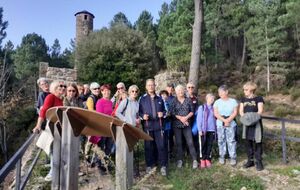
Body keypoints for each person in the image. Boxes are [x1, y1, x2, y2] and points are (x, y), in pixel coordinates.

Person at [32, 80, 66, 181]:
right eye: (60, 86)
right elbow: (43, 111)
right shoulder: (50, 97)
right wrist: (38, 125)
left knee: (57, 150)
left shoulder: (60, 99)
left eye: (64, 86)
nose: (63, 88)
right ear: (54, 88)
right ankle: (53, 173)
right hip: (52, 127)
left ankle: (55, 171)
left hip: (59, 128)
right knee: (54, 151)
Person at [139, 79, 167, 176]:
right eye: (149, 85)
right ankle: (149, 165)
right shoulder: (142, 99)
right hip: (148, 126)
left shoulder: (160, 98)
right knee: (148, 147)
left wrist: (162, 114)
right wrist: (143, 116)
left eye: (152, 85)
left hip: (159, 126)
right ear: (146, 87)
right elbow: (139, 112)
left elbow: (166, 111)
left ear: (155, 86)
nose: (151, 87)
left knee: (161, 146)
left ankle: (163, 166)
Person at [169, 84, 198, 169]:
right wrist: (181, 118)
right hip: (177, 125)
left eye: (181, 90)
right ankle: (180, 160)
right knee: (179, 143)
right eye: (178, 91)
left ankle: (195, 160)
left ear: (184, 91)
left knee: (190, 142)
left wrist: (185, 118)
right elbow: (172, 113)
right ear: (176, 92)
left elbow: (192, 111)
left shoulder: (188, 100)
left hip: (187, 124)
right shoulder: (173, 101)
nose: (180, 92)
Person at [239, 82, 264, 171]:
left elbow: (260, 111)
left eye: (246, 90)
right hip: (247, 123)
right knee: (248, 142)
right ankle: (250, 160)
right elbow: (241, 112)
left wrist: (252, 119)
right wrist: (247, 120)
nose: (244, 91)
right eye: (244, 89)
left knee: (258, 142)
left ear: (251, 90)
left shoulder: (259, 98)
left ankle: (259, 161)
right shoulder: (243, 99)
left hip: (256, 123)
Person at [213, 85, 238, 166]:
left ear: (226, 92)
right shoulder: (217, 102)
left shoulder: (233, 101)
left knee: (231, 140)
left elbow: (235, 112)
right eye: (219, 92)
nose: (220, 93)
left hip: (231, 123)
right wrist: (224, 120)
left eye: (221, 92)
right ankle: (222, 156)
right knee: (221, 140)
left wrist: (228, 120)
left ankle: (232, 157)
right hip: (220, 123)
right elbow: (216, 113)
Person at [95, 84, 114, 173]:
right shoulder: (99, 102)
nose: (106, 92)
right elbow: (99, 116)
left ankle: (105, 164)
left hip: (110, 128)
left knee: (109, 147)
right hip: (102, 127)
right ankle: (99, 165)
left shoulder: (110, 102)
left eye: (108, 90)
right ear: (102, 92)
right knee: (101, 147)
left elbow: (112, 114)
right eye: (104, 90)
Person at [196, 93, 216, 169]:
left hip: (212, 129)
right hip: (204, 130)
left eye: (213, 99)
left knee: (209, 145)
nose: (212, 100)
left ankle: (208, 158)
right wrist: (200, 130)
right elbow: (199, 119)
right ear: (207, 99)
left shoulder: (214, 108)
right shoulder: (202, 107)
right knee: (203, 145)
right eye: (211, 98)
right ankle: (202, 159)